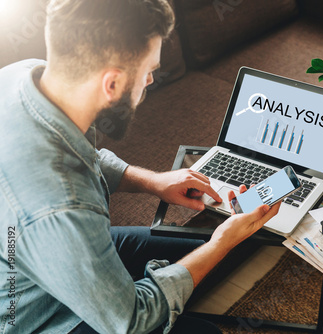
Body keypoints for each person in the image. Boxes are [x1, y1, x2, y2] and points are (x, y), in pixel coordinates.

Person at [0, 0, 280, 333]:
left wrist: (154, 182)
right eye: (149, 69)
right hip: (37, 315)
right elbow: (130, 321)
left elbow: (81, 158)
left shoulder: (21, 76)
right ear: (113, 84)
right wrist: (221, 242)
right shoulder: (62, 206)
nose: (149, 80)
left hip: (53, 252)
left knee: (208, 254)